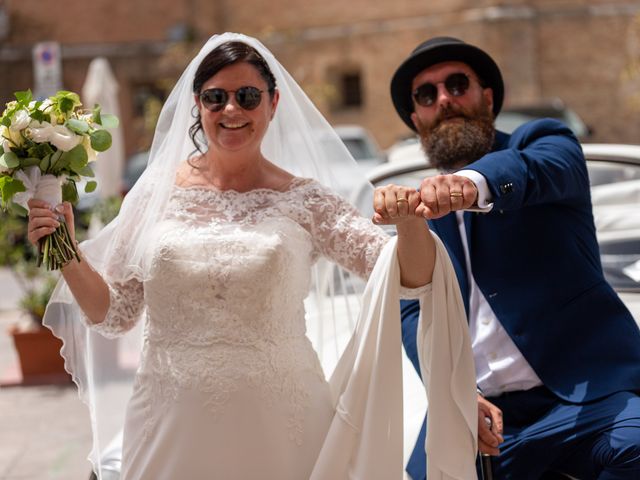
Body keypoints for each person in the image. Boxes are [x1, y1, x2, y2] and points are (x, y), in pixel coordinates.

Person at [27, 33, 477, 479]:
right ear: (198, 105)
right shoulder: (153, 197)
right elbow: (115, 314)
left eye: (246, 96)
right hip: (169, 421)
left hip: (284, 424)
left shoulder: (307, 202)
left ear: (273, 103)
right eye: (215, 97)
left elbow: (411, 279)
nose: (231, 110)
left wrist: (409, 222)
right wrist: (66, 252)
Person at [390, 36, 640, 480]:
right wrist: (454, 392)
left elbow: (541, 170)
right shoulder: (420, 209)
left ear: (487, 96)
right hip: (485, 416)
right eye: (427, 95)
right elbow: (413, 312)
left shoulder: (540, 143)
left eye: (457, 84)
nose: (444, 99)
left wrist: (471, 184)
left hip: (588, 395)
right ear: (416, 118)